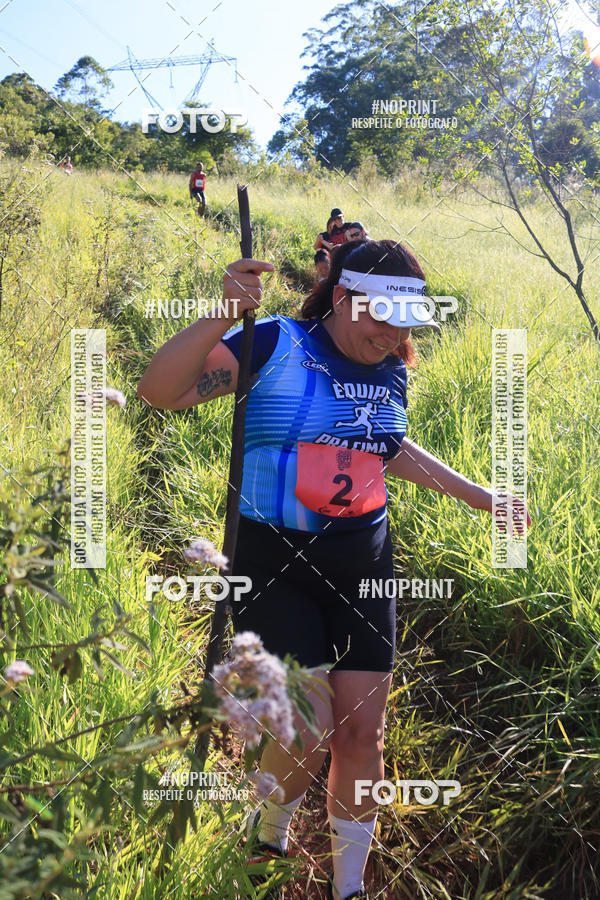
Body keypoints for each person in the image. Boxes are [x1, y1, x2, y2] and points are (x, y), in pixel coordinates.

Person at [136, 239, 531, 900]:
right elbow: (159, 391)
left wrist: (479, 495)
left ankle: (349, 887)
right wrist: (220, 312)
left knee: (362, 733)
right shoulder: (272, 342)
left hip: (364, 565)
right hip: (272, 562)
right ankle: (270, 833)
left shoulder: (390, 365)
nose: (392, 334)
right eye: (380, 316)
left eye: (406, 321)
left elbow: (386, 444)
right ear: (344, 298)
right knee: (308, 723)